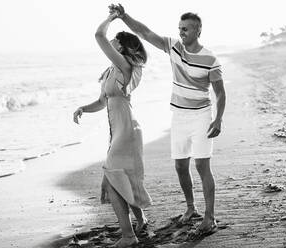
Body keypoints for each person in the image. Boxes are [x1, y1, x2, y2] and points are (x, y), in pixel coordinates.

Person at [109, 4, 226, 236]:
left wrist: (218, 119)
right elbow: (145, 33)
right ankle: (191, 207)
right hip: (179, 116)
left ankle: (209, 217)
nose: (181, 32)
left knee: (202, 166)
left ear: (198, 31)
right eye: (180, 28)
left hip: (202, 116)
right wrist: (124, 16)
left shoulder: (210, 58)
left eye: (186, 29)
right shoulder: (174, 47)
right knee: (180, 166)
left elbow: (220, 93)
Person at [73, 10, 151, 248]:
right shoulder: (110, 71)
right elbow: (102, 102)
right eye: (113, 39)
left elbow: (98, 35)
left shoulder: (124, 65)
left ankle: (128, 236)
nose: (112, 42)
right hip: (117, 131)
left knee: (112, 175)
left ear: (123, 47)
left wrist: (111, 18)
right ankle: (141, 220)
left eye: (116, 40)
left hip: (127, 131)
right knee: (123, 176)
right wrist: (82, 109)